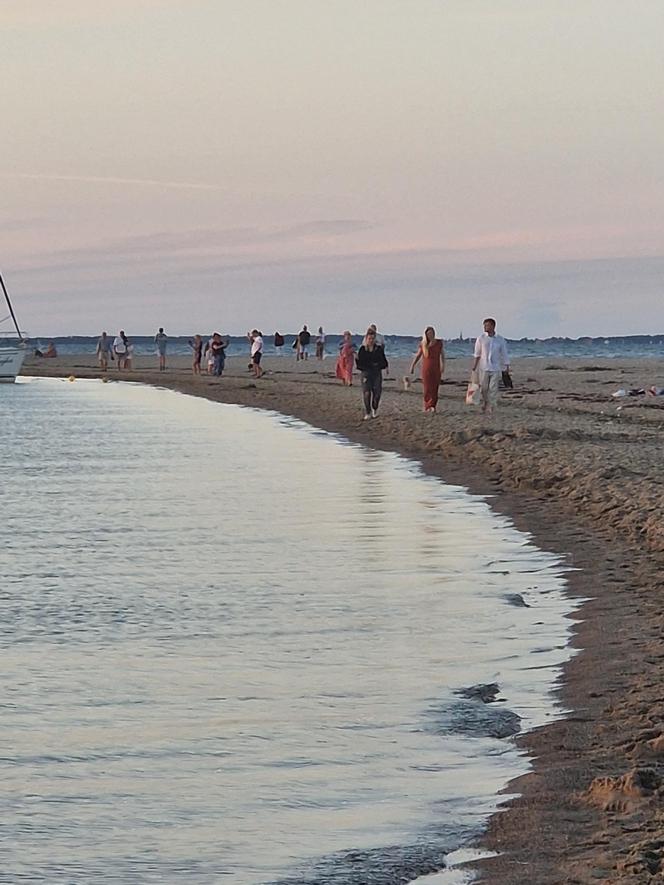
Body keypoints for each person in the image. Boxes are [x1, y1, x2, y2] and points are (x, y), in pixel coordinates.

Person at [471, 318, 510, 415]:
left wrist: (506, 365)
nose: (485, 327)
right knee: (484, 389)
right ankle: (485, 402)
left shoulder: (500, 339)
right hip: (484, 367)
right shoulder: (481, 338)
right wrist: (474, 366)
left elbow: (504, 353)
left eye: (487, 325)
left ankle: (491, 406)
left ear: (493, 326)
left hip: (495, 367)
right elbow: (477, 353)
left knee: (493, 388)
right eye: (484, 325)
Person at [410, 326, 445, 413]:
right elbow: (418, 355)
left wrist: (443, 365)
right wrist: (412, 366)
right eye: (428, 334)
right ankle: (427, 406)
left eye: (432, 333)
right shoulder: (423, 344)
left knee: (435, 387)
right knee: (427, 387)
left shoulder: (439, 343)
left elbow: (442, 355)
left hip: (436, 367)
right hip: (426, 368)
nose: (430, 335)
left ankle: (433, 405)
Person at [356, 327, 388, 419]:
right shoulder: (362, 349)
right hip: (366, 372)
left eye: (372, 338)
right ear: (366, 339)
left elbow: (383, 361)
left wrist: (381, 366)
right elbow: (360, 363)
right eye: (369, 338)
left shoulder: (378, 349)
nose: (371, 340)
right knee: (367, 392)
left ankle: (375, 408)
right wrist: (366, 365)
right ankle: (368, 412)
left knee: (377, 392)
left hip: (376, 372)